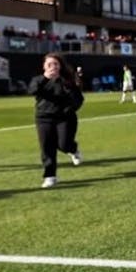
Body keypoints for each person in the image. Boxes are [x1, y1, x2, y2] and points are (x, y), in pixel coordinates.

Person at [28, 53, 84, 188]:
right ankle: (50, 176)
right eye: (49, 64)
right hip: (43, 118)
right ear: (44, 66)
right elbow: (32, 90)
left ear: (60, 66)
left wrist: (70, 109)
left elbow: (78, 99)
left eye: (55, 64)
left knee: (64, 144)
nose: (52, 67)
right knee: (47, 147)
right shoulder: (38, 80)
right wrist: (46, 79)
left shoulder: (67, 81)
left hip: (65, 118)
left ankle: (73, 150)